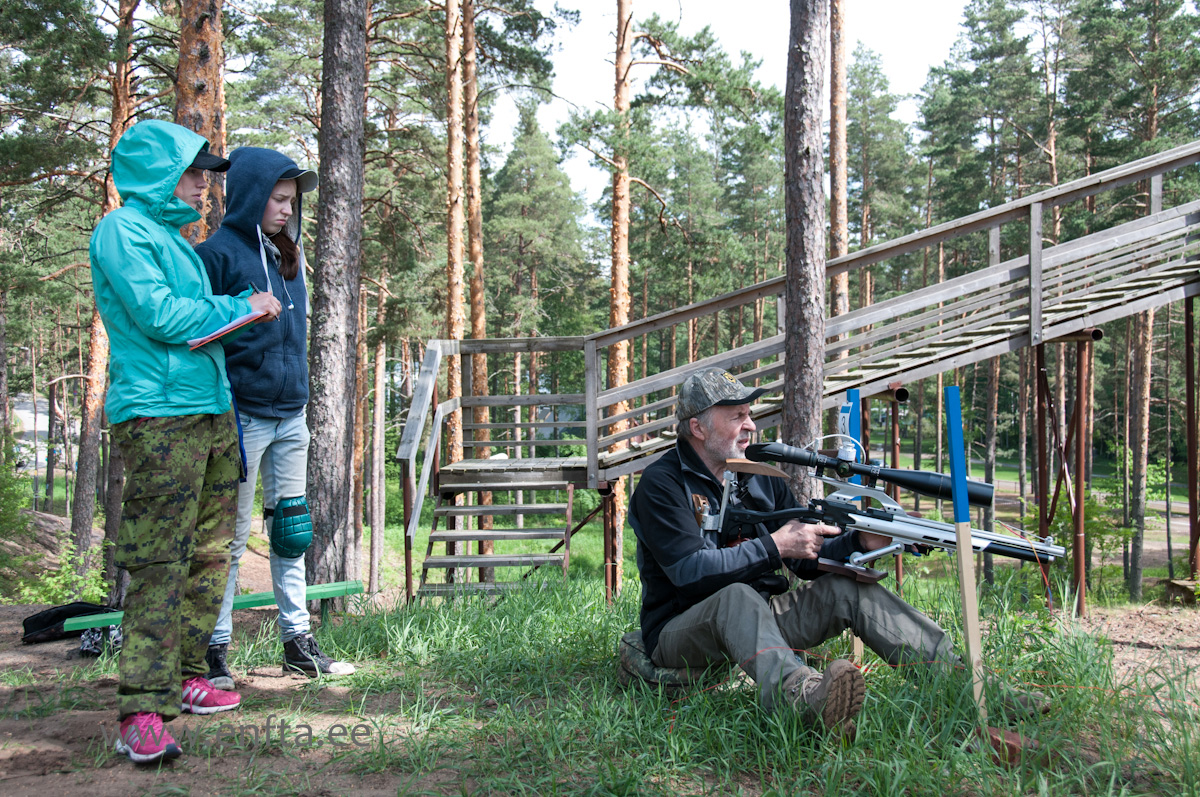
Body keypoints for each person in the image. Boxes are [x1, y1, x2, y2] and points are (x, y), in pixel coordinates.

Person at [91, 119, 283, 765]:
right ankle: (141, 707)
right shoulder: (122, 232)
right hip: (157, 417)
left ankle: (187, 675)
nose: (205, 184)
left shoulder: (175, 238)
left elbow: (196, 328)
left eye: (207, 174)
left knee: (208, 553)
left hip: (209, 409)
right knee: (159, 561)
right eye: (195, 171)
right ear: (158, 172)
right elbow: (162, 318)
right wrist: (242, 307)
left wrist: (238, 313)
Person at [629, 367, 961, 738]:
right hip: (679, 629)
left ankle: (963, 682)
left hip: (759, 617)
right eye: (737, 416)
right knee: (735, 597)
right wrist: (775, 545)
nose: (750, 425)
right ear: (698, 428)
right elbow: (689, 572)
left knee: (847, 588)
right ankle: (803, 699)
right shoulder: (661, 484)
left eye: (749, 414)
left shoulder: (758, 477)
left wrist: (859, 543)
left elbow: (804, 557)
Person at [196, 147, 355, 686]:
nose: (287, 209)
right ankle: (215, 649)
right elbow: (198, 333)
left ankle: (297, 642)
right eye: (278, 198)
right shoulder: (215, 255)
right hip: (242, 416)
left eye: (292, 201)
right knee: (232, 537)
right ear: (248, 195)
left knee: (291, 530)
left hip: (291, 414)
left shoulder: (289, 256)